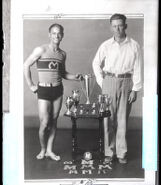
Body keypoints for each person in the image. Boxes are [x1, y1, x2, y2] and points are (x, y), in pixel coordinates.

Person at [24, 23, 82, 161]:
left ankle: (50, 150)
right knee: (44, 122)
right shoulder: (41, 49)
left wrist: (75, 77)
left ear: (62, 35)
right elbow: (25, 65)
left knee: (54, 121)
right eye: (54, 33)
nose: (56, 35)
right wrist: (31, 85)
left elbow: (62, 73)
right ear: (49, 35)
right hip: (43, 90)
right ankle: (43, 149)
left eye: (59, 33)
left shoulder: (62, 54)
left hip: (57, 89)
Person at [92, 14, 142, 164]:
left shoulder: (134, 45)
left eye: (120, 25)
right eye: (114, 26)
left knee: (122, 120)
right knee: (108, 119)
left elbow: (138, 68)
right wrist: (103, 82)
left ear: (125, 26)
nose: (117, 29)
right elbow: (96, 64)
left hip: (127, 82)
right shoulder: (106, 45)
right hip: (109, 81)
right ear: (110, 27)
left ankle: (121, 153)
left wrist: (135, 89)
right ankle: (109, 152)